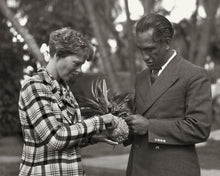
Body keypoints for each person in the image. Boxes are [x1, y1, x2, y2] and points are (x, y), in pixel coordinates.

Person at [18, 27, 117, 176]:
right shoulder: (34, 87)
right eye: (76, 63)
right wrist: (100, 121)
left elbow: (68, 140)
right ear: (58, 54)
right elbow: (56, 138)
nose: (79, 70)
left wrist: (93, 138)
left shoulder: (65, 91)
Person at [124, 13, 212, 176]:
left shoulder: (193, 75)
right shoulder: (141, 77)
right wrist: (120, 128)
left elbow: (199, 128)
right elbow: (138, 121)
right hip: (137, 168)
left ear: (167, 42)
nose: (145, 57)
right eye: (141, 50)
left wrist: (150, 126)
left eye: (150, 49)